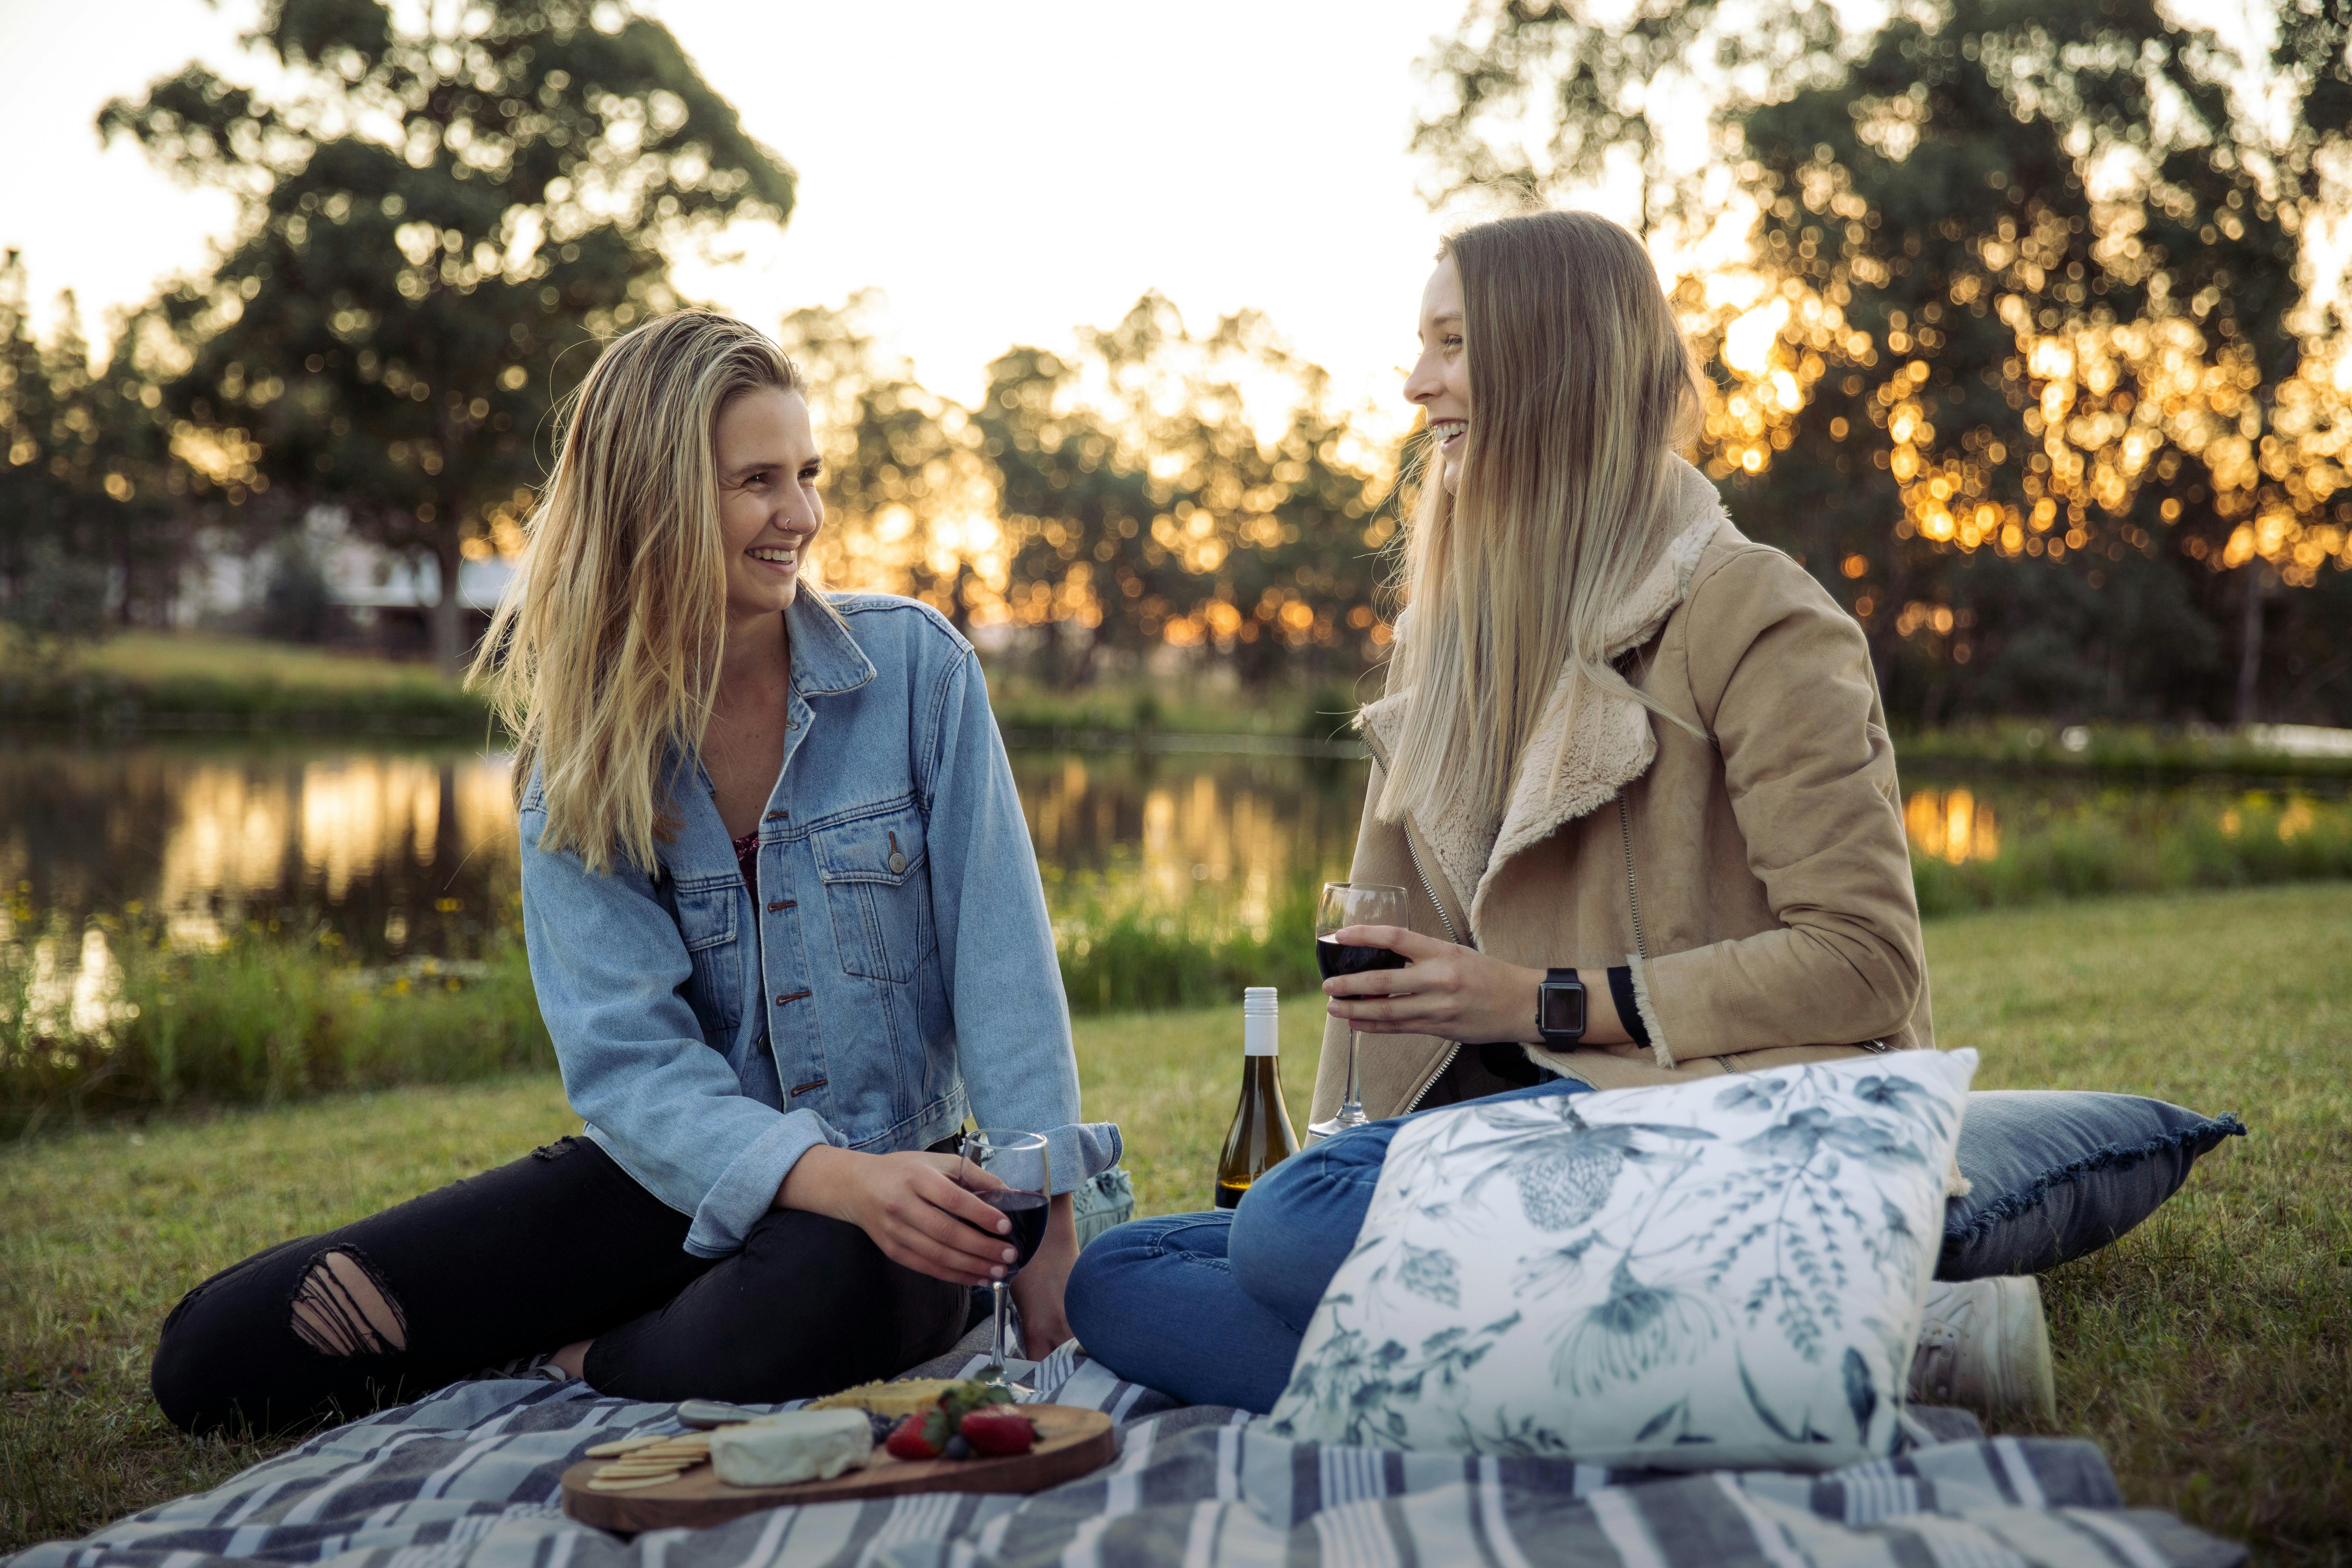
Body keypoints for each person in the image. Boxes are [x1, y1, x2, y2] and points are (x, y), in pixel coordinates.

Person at [1066, 210, 2052, 1419]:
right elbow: (1387, 934)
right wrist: (1349, 1128)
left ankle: (1794, 1335)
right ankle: (1760, 1367)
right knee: (1120, 1275)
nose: (1417, 380)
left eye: (1453, 345)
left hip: (1716, 1128)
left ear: (1554, 362)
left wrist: (1537, 1000)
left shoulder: (1755, 616)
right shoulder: (1455, 636)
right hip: (1512, 1145)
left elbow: (1862, 962)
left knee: (1289, 1234)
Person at [150, 310, 1116, 1437]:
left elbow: (1006, 967)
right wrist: (814, 1179)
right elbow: (631, 1065)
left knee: (821, 1287)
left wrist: (1045, 1220)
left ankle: (588, 1357)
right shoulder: (583, 754)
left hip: (895, 1196)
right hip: (670, 1182)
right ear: (655, 500)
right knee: (224, 1355)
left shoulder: (917, 673)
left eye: (805, 474)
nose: (799, 515)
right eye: (757, 481)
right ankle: (667, 1328)